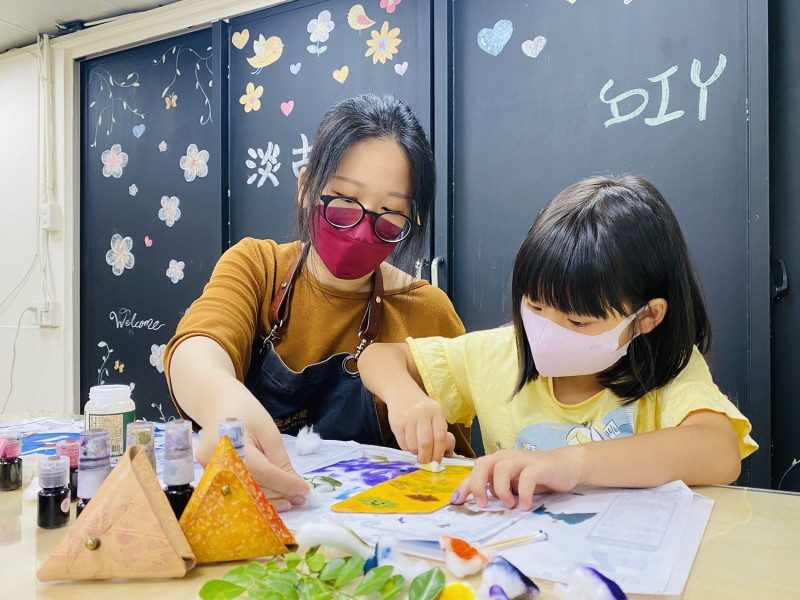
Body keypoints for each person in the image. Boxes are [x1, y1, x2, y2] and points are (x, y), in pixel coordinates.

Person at [359, 175, 758, 510]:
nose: (545, 331)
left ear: (647, 317)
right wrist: (403, 396)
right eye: (534, 306)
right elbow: (377, 357)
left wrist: (573, 462)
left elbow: (719, 452)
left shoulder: (667, 368)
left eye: (578, 320)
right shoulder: (500, 354)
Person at [164, 94, 474, 511]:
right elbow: (196, 349)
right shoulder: (258, 267)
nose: (363, 230)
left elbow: (458, 468)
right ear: (306, 187)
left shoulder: (427, 311)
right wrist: (223, 402)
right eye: (345, 201)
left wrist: (437, 447)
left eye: (389, 215)